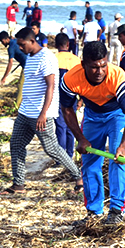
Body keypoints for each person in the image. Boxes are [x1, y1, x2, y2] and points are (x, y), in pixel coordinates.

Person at [60, 41, 125, 225]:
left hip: (118, 116)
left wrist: (121, 146)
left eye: (103, 65)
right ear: (83, 64)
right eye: (94, 67)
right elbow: (67, 110)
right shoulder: (71, 79)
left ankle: (116, 210)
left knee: (117, 158)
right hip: (92, 116)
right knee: (89, 163)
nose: (100, 71)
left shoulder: (118, 78)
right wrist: (80, 139)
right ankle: (94, 212)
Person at [5, 28, 82, 194]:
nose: (19, 48)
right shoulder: (30, 56)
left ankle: (78, 176)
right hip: (26, 112)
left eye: (22, 44)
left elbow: (51, 86)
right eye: (18, 45)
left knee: (52, 148)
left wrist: (44, 113)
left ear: (32, 41)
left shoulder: (46, 57)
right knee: (16, 145)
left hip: (41, 114)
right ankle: (18, 184)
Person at [53, 33, 81, 162]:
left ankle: (61, 158)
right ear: (68, 45)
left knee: (60, 127)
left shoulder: (53, 59)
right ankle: (69, 155)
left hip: (57, 97)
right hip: (72, 96)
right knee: (71, 125)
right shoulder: (76, 59)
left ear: (56, 45)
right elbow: (82, 80)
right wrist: (81, 99)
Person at [0, 31, 27, 108]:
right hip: (27, 62)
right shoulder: (15, 41)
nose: (2, 43)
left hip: (27, 65)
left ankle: (17, 106)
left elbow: (10, 63)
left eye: (2, 41)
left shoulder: (11, 48)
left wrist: (4, 77)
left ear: (6, 39)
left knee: (21, 84)